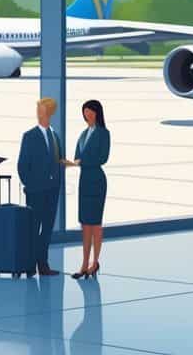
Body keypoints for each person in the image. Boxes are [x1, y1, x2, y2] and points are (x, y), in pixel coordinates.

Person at [17, 98, 63, 276]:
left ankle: (42, 264)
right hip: (36, 191)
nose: (39, 114)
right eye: (38, 110)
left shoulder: (55, 137)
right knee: (33, 229)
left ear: (50, 113)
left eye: (42, 110)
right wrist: (30, 185)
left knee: (47, 228)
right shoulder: (29, 136)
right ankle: (30, 265)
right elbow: (22, 165)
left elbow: (57, 162)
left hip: (52, 191)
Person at [64, 100, 110, 279]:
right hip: (84, 180)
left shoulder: (104, 134)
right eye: (85, 111)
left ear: (97, 113)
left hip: (97, 180)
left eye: (90, 111)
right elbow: (77, 155)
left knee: (96, 224)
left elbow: (103, 157)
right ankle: (84, 263)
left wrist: (82, 162)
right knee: (85, 224)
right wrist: (71, 163)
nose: (87, 114)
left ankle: (94, 262)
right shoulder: (83, 134)